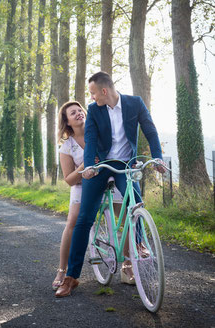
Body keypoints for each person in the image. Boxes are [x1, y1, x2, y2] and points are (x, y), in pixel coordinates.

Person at [55, 71, 166, 298]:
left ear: (104, 91)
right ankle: (71, 277)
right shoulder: (95, 110)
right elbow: (92, 139)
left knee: (135, 205)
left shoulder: (135, 104)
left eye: (94, 93)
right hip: (101, 165)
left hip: (125, 164)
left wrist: (157, 157)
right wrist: (89, 167)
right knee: (84, 218)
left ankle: (137, 244)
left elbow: (150, 130)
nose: (92, 98)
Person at [52, 101, 129, 291]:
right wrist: (84, 166)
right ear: (67, 121)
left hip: (108, 178)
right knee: (73, 221)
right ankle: (63, 270)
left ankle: (127, 266)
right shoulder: (67, 147)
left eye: (80, 110)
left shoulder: (100, 133)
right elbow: (69, 180)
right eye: (73, 113)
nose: (79, 113)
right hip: (82, 184)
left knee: (128, 214)